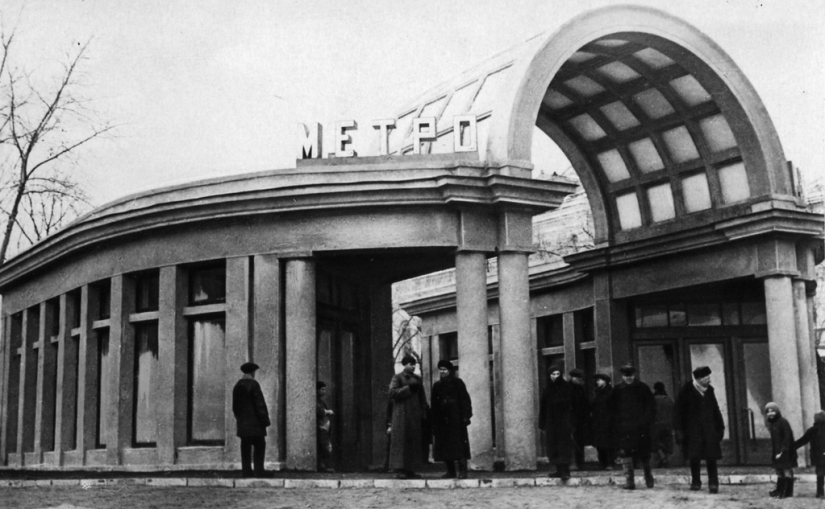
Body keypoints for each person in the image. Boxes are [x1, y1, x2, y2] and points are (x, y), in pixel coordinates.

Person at [672, 367, 724, 494]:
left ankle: (713, 484)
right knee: (694, 457)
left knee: (711, 457)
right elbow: (678, 412)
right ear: (699, 379)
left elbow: (715, 409)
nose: (709, 380)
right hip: (692, 430)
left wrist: (720, 426)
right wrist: (678, 430)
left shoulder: (709, 391)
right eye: (707, 377)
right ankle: (696, 482)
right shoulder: (686, 390)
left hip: (709, 429)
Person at [609, 363, 656, 490]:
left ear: (634, 375)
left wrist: (645, 421)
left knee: (644, 453)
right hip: (624, 427)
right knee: (625, 452)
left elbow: (650, 407)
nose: (628, 378)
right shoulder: (617, 390)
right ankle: (629, 481)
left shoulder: (643, 388)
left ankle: (648, 476)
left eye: (630, 376)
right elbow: (612, 409)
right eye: (626, 376)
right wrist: (617, 423)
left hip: (641, 427)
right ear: (622, 376)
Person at [388, 355, 429, 479]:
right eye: (410, 364)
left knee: (414, 441)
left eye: (414, 364)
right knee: (401, 442)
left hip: (414, 414)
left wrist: (424, 413)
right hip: (401, 415)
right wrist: (408, 389)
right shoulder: (397, 377)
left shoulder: (418, 379)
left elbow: (422, 397)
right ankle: (400, 469)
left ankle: (411, 469)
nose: (413, 366)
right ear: (404, 365)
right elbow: (392, 393)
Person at [430, 359, 473, 479]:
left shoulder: (458, 383)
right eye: (441, 370)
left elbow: (465, 400)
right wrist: (434, 422)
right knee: (445, 446)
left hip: (456, 419)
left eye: (445, 370)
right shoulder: (437, 386)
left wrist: (466, 416)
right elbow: (434, 404)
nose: (442, 372)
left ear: (450, 371)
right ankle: (450, 471)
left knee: (459, 446)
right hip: (442, 421)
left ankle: (463, 471)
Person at [232, 362, 271, 478]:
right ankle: (259, 471)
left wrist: (240, 419)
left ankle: (246, 471)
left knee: (245, 447)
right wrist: (265, 420)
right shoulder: (254, 385)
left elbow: (235, 407)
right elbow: (260, 405)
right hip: (255, 424)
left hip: (243, 424)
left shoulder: (238, 385)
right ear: (252, 372)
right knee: (260, 446)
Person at [538, 364, 574, 481]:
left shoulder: (567, 387)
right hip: (551, 422)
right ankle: (558, 469)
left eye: (558, 374)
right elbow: (543, 407)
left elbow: (571, 405)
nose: (555, 376)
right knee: (553, 446)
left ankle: (565, 471)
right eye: (553, 374)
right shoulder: (547, 389)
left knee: (563, 446)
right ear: (549, 376)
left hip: (563, 422)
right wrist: (542, 423)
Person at [765, 402, 798, 499]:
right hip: (777, 452)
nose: (770, 414)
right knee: (779, 471)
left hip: (786, 452)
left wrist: (782, 451)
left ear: (777, 411)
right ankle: (780, 490)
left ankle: (787, 492)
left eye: (772, 411)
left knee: (786, 470)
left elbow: (787, 437)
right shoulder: (772, 423)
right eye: (768, 412)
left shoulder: (783, 422)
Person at [793, 410, 825, 499]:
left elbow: (803, 440)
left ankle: (820, 493)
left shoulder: (812, 430)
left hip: (818, 456)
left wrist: (791, 447)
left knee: (820, 473)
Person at [590, 373, 615, 470]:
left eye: (599, 380)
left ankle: (610, 462)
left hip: (608, 421)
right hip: (598, 421)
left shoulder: (610, 392)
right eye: (597, 380)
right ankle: (602, 462)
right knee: (599, 444)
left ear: (605, 381)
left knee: (608, 444)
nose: (597, 382)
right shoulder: (597, 392)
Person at [569, 369, 591, 471]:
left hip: (581, 419)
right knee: (572, 441)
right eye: (579, 378)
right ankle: (573, 462)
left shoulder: (581, 389)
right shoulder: (567, 389)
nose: (581, 380)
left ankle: (580, 462)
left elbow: (584, 404)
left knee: (580, 441)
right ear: (573, 378)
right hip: (571, 419)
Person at [651, 381, 675, 469]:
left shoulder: (653, 400)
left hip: (656, 424)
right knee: (668, 442)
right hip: (668, 424)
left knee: (655, 442)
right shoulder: (669, 400)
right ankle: (667, 460)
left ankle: (662, 457)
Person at [316, 381, 335, 472]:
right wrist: (327, 412)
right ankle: (326, 467)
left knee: (325, 447)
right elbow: (319, 412)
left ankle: (324, 466)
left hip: (324, 428)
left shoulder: (320, 401)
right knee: (326, 447)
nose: (324, 392)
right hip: (321, 428)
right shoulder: (316, 401)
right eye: (322, 389)